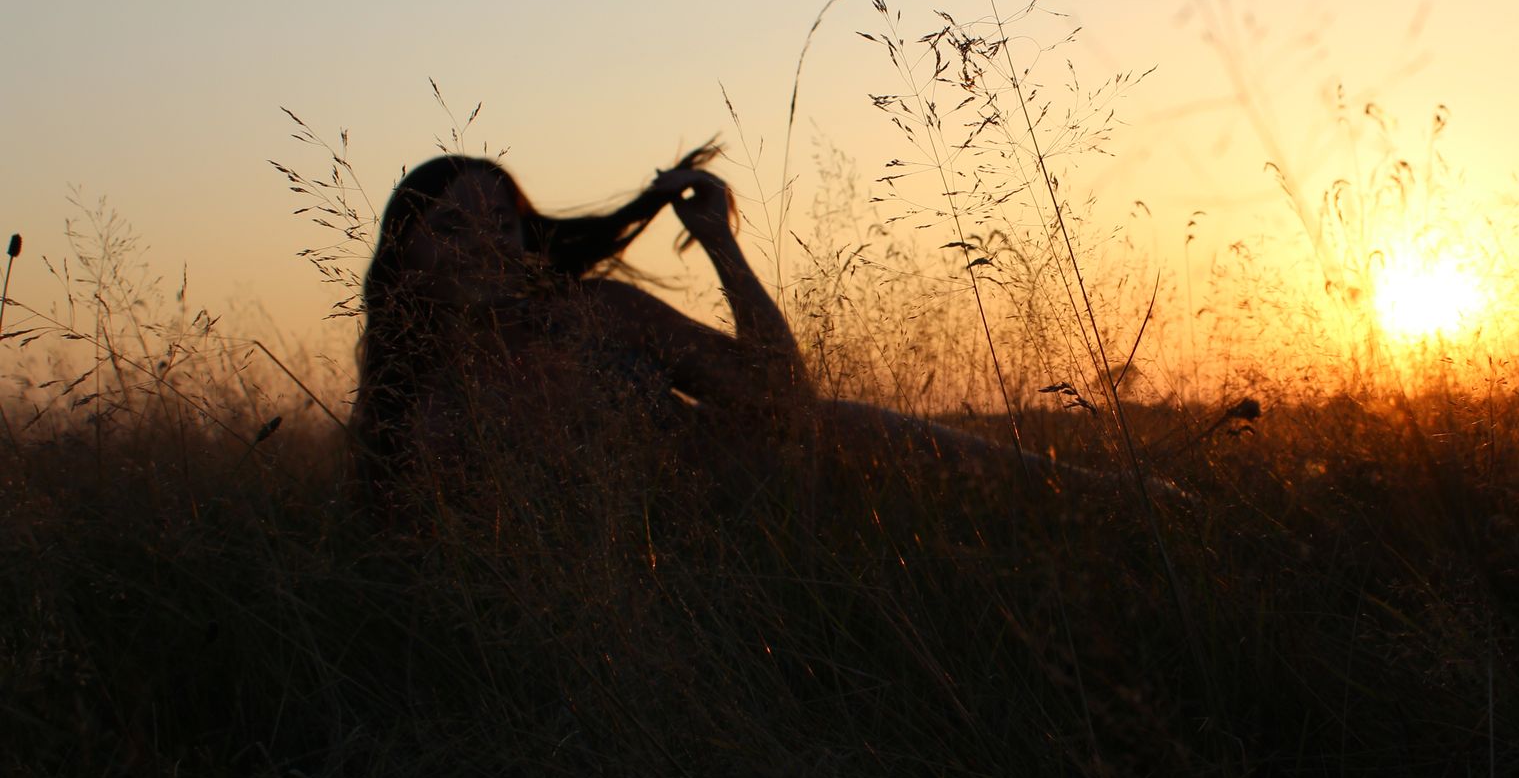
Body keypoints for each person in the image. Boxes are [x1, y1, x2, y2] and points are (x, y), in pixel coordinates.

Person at [352, 150, 1097, 502]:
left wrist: (719, 242)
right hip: (689, 584)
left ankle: (1156, 508)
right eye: (452, 225)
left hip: (800, 481)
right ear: (402, 255)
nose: (485, 243)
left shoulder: (593, 313)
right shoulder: (408, 401)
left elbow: (784, 399)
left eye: (501, 225)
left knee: (1066, 497)